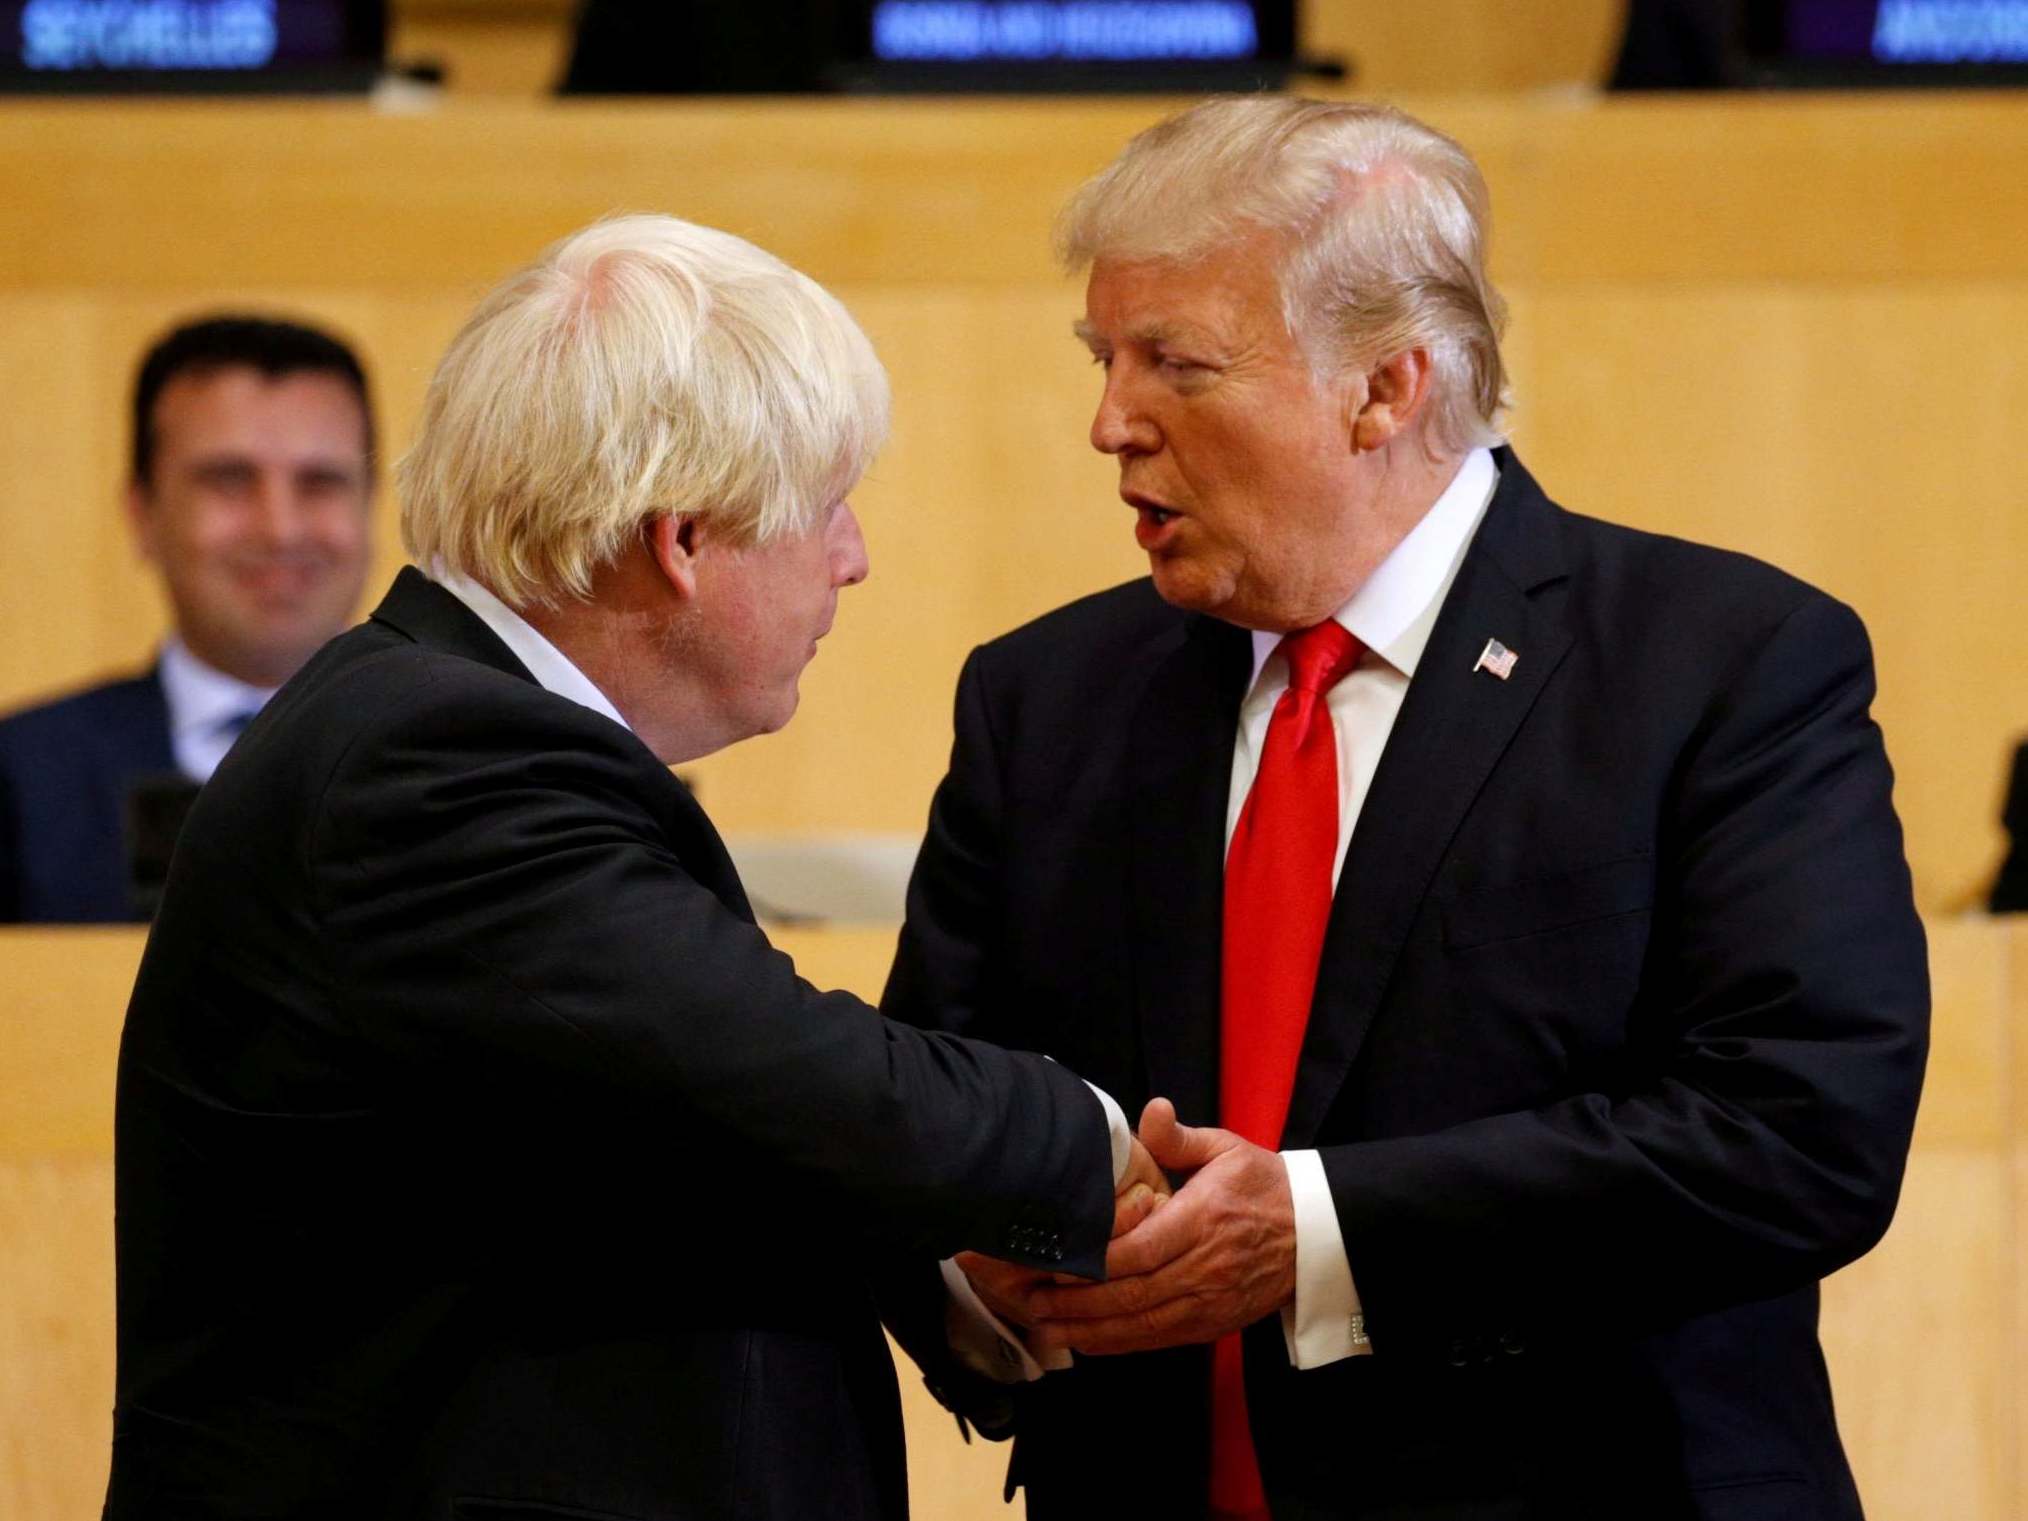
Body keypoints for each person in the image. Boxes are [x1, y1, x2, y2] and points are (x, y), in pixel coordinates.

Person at [883, 98, 1929, 1521]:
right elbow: (933, 1110)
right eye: (1104, 358)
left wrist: (1319, 1232)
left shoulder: (1722, 665)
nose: (1107, 424)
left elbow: (1799, 1134)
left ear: (1384, 388)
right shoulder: (1043, 698)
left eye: (1173, 364)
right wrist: (978, 1275)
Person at [104, 214, 1161, 1521]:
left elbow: (687, 1135)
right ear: (685, 541)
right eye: (828, 506)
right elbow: (789, 1072)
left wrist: (953, 1277)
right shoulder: (435, 758)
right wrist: (1109, 1146)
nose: (854, 556)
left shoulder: (440, 727)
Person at [0, 314, 375, 922]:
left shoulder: (473, 767)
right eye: (229, 480)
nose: (281, 529)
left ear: (369, 508)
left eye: (320, 482)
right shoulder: (22, 778)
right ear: (142, 513)